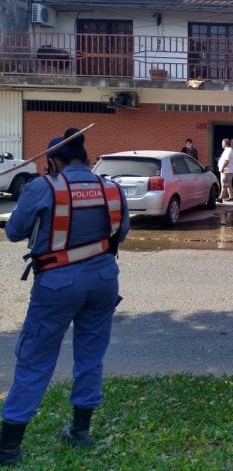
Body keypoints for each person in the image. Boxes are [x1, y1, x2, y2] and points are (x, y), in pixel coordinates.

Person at [0, 128, 130, 466]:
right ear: (87, 159)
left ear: (53, 160)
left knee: (35, 358)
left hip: (57, 284)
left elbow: (14, 232)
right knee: (91, 355)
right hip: (103, 280)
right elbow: (122, 234)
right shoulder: (111, 189)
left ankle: (9, 448)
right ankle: (80, 432)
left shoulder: (43, 187)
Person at [217, 138, 233, 202]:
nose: (222, 144)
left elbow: (226, 161)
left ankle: (221, 198)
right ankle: (231, 197)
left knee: (224, 184)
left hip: (226, 170)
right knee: (228, 184)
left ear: (225, 143)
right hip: (228, 170)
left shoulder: (228, 150)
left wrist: (222, 168)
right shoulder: (228, 150)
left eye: (222, 143)